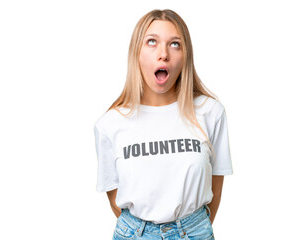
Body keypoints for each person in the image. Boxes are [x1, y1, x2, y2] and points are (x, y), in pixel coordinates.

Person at [94, 9, 233, 240]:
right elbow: (115, 199)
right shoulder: (110, 124)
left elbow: (215, 188)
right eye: (152, 42)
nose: (164, 54)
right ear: (136, 53)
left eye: (175, 44)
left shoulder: (211, 112)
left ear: (185, 55)